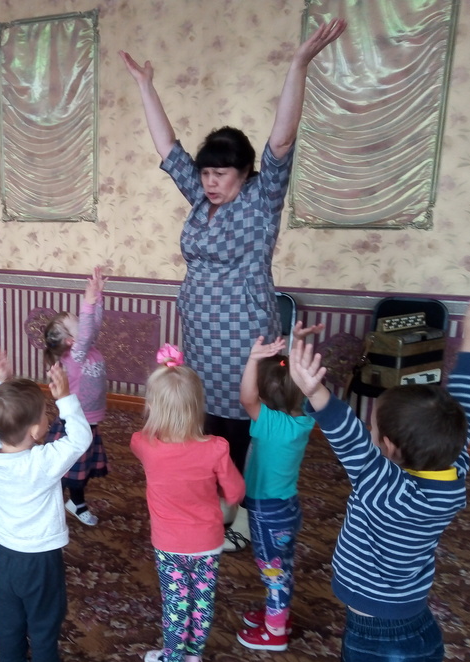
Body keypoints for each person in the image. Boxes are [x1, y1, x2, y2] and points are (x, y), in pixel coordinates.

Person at [120, 18, 346, 550]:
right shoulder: (201, 199)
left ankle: (242, 511)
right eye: (205, 173)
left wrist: (299, 64)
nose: (210, 181)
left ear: (245, 172)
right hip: (202, 334)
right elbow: (168, 147)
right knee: (208, 418)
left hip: (245, 335)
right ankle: (215, 497)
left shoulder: (262, 200)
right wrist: (146, 87)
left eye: (221, 173)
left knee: (246, 416)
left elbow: (282, 138)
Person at [286, 293, 470, 662]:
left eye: (376, 431)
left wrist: (314, 391)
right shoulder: (453, 468)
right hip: (419, 628)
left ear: (388, 446)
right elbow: (464, 411)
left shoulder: (385, 487)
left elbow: (346, 435)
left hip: (375, 640)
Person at [130, 345, 246, 662]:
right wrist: (221, 495)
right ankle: (194, 657)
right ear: (198, 407)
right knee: (202, 599)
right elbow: (236, 492)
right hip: (209, 541)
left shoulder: (144, 445)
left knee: (176, 602)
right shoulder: (217, 448)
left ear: (152, 408)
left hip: (170, 545)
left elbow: (140, 438)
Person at [0, 348, 92, 662]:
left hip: (3, 556)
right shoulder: (42, 462)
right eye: (45, 415)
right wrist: (66, 399)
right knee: (44, 619)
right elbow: (80, 439)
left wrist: (0, 383)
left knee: (9, 618)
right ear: (33, 431)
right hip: (40, 560)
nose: (49, 419)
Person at [235, 329, 317, 652]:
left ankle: (275, 631)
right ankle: (277, 614)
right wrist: (299, 342)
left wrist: (252, 359)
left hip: (267, 512)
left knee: (273, 571)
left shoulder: (271, 423)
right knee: (282, 566)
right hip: (286, 508)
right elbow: (302, 379)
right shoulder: (304, 418)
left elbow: (246, 398)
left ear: (266, 394)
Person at [42, 266, 109, 527]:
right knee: (71, 471)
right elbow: (89, 330)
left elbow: (94, 327)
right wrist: (88, 302)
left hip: (89, 421)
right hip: (76, 421)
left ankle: (71, 501)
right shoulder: (76, 355)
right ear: (71, 341)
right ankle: (65, 503)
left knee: (83, 468)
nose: (84, 322)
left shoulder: (86, 348)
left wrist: (97, 298)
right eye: (78, 322)